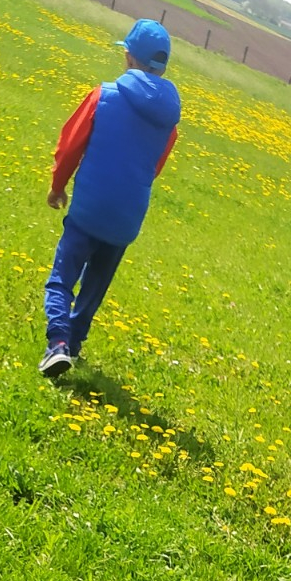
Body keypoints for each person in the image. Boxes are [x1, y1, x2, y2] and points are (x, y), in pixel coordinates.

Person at [40, 19, 181, 379]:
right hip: (126, 219)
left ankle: (57, 342)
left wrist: (58, 187)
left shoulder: (104, 95)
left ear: (129, 57)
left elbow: (71, 146)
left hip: (89, 209)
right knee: (95, 286)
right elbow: (155, 167)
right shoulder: (169, 119)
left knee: (61, 278)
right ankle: (73, 344)